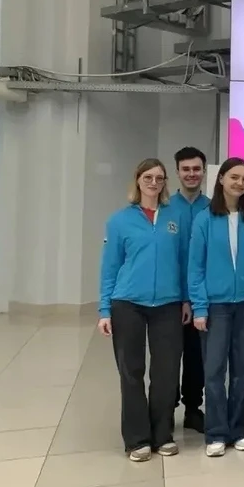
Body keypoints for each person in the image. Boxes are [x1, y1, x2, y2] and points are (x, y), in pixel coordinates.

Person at [98, 158, 192, 461]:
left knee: (166, 372)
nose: (154, 182)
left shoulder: (176, 218)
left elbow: (184, 262)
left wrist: (186, 299)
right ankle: (137, 438)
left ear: (165, 183)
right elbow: (110, 267)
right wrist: (104, 309)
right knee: (131, 370)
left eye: (159, 178)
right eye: (148, 177)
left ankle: (162, 434)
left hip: (168, 303)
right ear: (138, 180)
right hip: (128, 304)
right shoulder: (119, 221)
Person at [188, 158, 244, 457]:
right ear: (221, 179)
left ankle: (238, 429)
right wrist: (200, 307)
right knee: (214, 371)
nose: (240, 183)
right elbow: (195, 268)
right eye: (234, 177)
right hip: (216, 306)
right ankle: (216, 432)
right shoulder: (204, 219)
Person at [169, 146, 210, 434]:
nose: (191, 174)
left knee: (197, 356)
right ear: (177, 172)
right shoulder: (165, 207)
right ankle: (165, 408)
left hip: (202, 297)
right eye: (186, 169)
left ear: (204, 171)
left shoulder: (214, 208)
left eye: (196, 169)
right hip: (169, 297)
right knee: (169, 356)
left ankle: (193, 409)